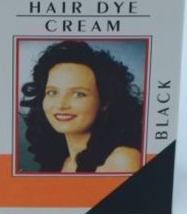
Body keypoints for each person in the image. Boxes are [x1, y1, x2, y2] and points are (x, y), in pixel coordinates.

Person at [20, 40, 143, 172]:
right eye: (52, 92)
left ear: (105, 102)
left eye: (78, 94)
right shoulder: (62, 162)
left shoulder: (123, 160)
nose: (61, 104)